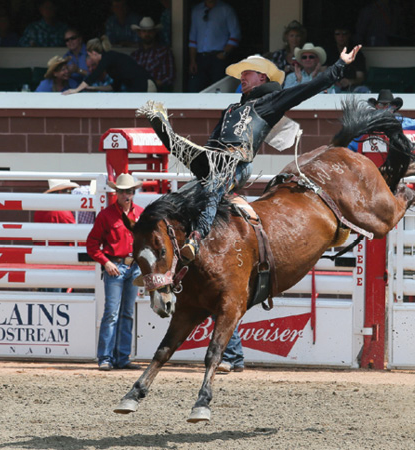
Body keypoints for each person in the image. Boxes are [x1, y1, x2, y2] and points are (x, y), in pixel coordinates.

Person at [141, 46, 363, 262]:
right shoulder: (231, 109)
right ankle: (161, 259)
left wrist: (340, 64)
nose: (242, 77)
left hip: (237, 163)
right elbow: (212, 141)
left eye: (247, 73)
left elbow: (312, 87)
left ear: (262, 77)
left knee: (213, 186)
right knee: (177, 198)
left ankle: (197, 238)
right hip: (214, 161)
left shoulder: (270, 102)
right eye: (241, 74)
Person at [86, 173, 144, 371]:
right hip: (115, 266)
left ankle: (121, 357)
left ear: (133, 192)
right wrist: (106, 262)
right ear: (116, 193)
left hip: (134, 267)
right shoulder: (106, 215)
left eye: (129, 191)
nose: (126, 194)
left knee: (126, 313)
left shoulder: (141, 214)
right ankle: (106, 357)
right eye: (122, 191)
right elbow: (92, 244)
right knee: (112, 313)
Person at [62, 36, 153, 94]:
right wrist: (94, 88)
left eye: (89, 56)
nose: (91, 59)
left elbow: (93, 76)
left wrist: (76, 90)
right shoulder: (111, 64)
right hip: (137, 88)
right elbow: (114, 86)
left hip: (146, 85)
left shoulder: (108, 57)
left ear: (93, 53)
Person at [187, 0, 241, 92]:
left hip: (218, 57)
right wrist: (192, 60)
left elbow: (235, 34)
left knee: (217, 89)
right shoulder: (196, 10)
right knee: (194, 89)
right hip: (200, 58)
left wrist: (224, 53)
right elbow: (193, 38)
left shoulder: (226, 9)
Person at [130, 17, 175, 92]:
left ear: (154, 33)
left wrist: (151, 85)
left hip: (158, 93)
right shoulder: (135, 55)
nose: (147, 34)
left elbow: (169, 77)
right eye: (144, 31)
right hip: (137, 93)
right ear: (139, 33)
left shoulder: (164, 52)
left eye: (150, 31)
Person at [324, 25, 367, 93]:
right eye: (338, 34)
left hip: (352, 88)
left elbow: (360, 76)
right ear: (334, 36)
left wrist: (350, 81)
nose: (341, 37)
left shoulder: (356, 53)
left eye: (344, 33)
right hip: (333, 87)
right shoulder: (329, 52)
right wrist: (334, 82)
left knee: (364, 90)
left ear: (349, 35)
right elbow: (324, 73)